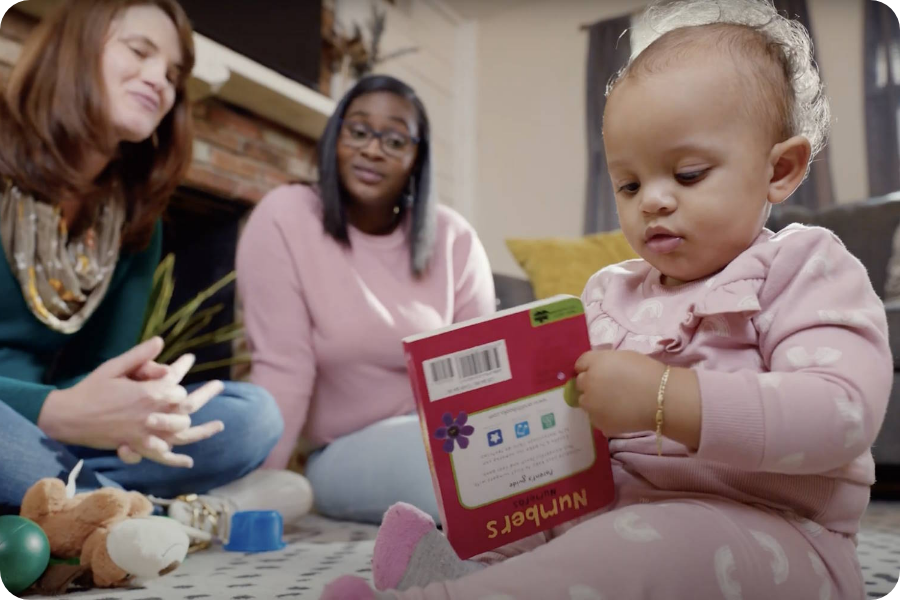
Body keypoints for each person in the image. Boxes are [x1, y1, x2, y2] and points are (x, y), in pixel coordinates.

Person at [320, 0, 891, 598]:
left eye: (689, 173)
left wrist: (664, 398)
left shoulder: (804, 266)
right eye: (629, 183)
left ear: (781, 169)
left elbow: (840, 413)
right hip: (624, 514)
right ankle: (468, 571)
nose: (652, 201)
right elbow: (571, 445)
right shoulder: (606, 293)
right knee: (543, 529)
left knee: (647, 545)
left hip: (781, 540)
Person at [0, 0, 310, 541]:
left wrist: (138, 402)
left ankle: (77, 509)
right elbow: (62, 406)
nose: (159, 82)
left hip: (58, 437)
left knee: (253, 415)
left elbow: (97, 369)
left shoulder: (136, 218)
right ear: (76, 46)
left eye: (172, 74)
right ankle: (160, 518)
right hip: (19, 424)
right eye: (139, 51)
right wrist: (55, 410)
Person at [236, 74, 496, 524]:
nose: (373, 149)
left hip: (453, 428)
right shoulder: (285, 217)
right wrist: (258, 488)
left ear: (417, 158)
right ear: (335, 138)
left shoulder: (454, 238)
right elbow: (283, 367)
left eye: (395, 140)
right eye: (358, 131)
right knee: (462, 462)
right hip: (344, 452)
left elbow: (484, 375)